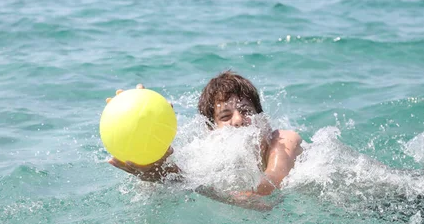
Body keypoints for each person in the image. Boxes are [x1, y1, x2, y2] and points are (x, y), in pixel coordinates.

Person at [106, 71, 303, 211]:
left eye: (245, 111)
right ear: (211, 131)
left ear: (263, 119)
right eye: (225, 117)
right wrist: (155, 166)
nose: (238, 120)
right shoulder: (211, 155)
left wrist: (180, 180)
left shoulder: (285, 141)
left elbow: (264, 198)